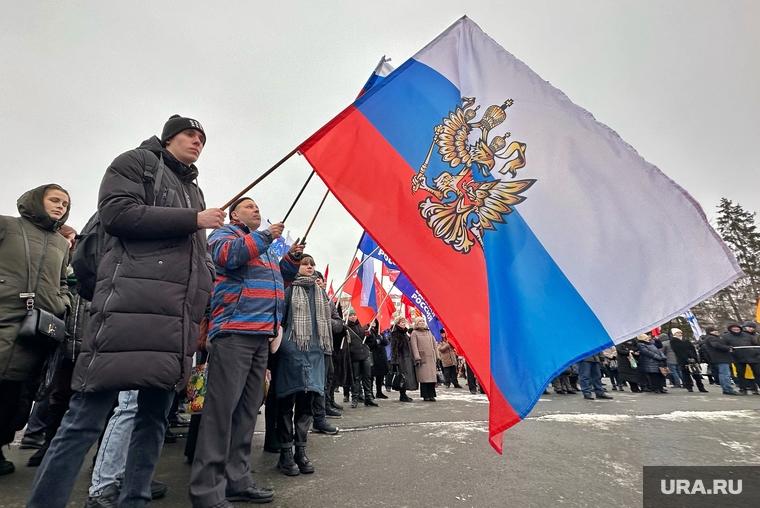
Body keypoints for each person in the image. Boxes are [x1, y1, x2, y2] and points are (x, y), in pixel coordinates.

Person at [28, 115, 221, 508]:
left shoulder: (194, 190)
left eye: (202, 138)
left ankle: (135, 499)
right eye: (189, 134)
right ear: (168, 138)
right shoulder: (135, 162)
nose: (197, 142)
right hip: (126, 310)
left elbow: (195, 254)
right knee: (84, 417)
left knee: (152, 421)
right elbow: (117, 213)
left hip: (174, 321)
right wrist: (193, 219)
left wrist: (206, 283)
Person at [190, 196, 302, 507]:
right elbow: (229, 257)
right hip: (234, 332)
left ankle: (237, 480)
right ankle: (206, 490)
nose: (256, 210)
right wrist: (266, 236)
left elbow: (276, 281)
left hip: (261, 336)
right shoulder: (225, 235)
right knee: (220, 412)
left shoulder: (262, 247)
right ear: (234, 213)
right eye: (249, 206)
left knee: (246, 413)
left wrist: (290, 261)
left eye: (258, 207)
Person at [0, 184, 72, 476]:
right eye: (54, 200)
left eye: (65, 204)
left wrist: (61, 300)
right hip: (5, 317)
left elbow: (63, 282)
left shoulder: (61, 243)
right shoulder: (6, 225)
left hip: (40, 327)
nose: (60, 207)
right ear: (36, 200)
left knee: (20, 393)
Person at [273, 254, 331, 476]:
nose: (309, 267)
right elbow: (279, 320)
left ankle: (301, 451)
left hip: (315, 356)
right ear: (297, 268)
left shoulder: (321, 295)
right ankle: (285, 453)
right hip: (292, 356)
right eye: (305, 264)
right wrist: (287, 345)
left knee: (306, 406)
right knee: (287, 405)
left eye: (312, 264)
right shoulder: (288, 291)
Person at [310, 271, 342, 435]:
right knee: (315, 384)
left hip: (327, 347)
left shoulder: (329, 302)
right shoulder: (305, 296)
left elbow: (338, 325)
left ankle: (323, 411)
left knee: (327, 379)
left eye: (320, 280)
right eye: (314, 280)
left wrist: (324, 319)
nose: (318, 283)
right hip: (311, 347)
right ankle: (316, 417)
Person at [346, 310, 378, 408]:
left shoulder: (363, 325)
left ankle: (368, 397)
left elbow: (372, 340)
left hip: (365, 354)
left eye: (354, 315)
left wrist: (370, 334)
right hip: (353, 355)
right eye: (351, 315)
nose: (353, 317)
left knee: (367, 377)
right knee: (355, 378)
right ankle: (355, 398)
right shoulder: (345, 328)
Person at [723, 322, 760, 395]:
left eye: (737, 327)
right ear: (730, 329)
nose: (735, 329)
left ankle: (756, 388)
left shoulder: (747, 336)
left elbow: (756, 344)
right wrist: (729, 350)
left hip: (752, 357)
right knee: (741, 374)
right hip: (738, 357)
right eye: (733, 327)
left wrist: (755, 352)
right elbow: (724, 346)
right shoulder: (726, 337)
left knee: (758, 373)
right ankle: (743, 389)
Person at [410, 316, 440, 401]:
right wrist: (417, 357)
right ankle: (425, 395)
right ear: (416, 323)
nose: (422, 322)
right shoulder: (414, 333)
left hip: (431, 358)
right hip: (422, 358)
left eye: (423, 321)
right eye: (420, 321)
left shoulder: (429, 332)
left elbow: (435, 344)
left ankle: (432, 394)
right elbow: (414, 346)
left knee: (431, 378)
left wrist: (437, 356)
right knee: (424, 378)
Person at [670, 328, 708, 393]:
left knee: (696, 374)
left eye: (680, 333)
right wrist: (685, 358)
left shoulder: (685, 340)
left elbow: (692, 348)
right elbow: (677, 351)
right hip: (683, 359)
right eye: (678, 333)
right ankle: (689, 387)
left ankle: (701, 387)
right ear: (674, 334)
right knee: (686, 374)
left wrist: (693, 357)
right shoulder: (673, 341)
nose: (680, 334)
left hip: (692, 359)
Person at [703, 326, 740, 395]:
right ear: (710, 332)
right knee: (725, 374)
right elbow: (716, 345)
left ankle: (726, 388)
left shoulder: (710, 337)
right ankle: (728, 389)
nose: (716, 331)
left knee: (722, 374)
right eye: (713, 330)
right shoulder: (712, 338)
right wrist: (727, 348)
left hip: (718, 358)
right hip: (721, 357)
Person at [390, 317, 418, 401]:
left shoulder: (405, 333)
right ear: (397, 323)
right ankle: (402, 395)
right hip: (400, 359)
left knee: (406, 377)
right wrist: (395, 361)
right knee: (402, 377)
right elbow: (394, 348)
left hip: (407, 358)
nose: (403, 324)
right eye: (401, 322)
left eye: (403, 322)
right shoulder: (395, 333)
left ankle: (404, 394)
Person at [368, 318, 391, 399]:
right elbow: (366, 343)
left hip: (381, 355)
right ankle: (370, 392)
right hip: (372, 355)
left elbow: (385, 342)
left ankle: (379, 391)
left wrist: (382, 338)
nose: (373, 323)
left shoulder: (379, 331)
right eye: (371, 321)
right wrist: (375, 342)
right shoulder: (367, 331)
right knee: (371, 375)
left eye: (374, 321)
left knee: (380, 375)